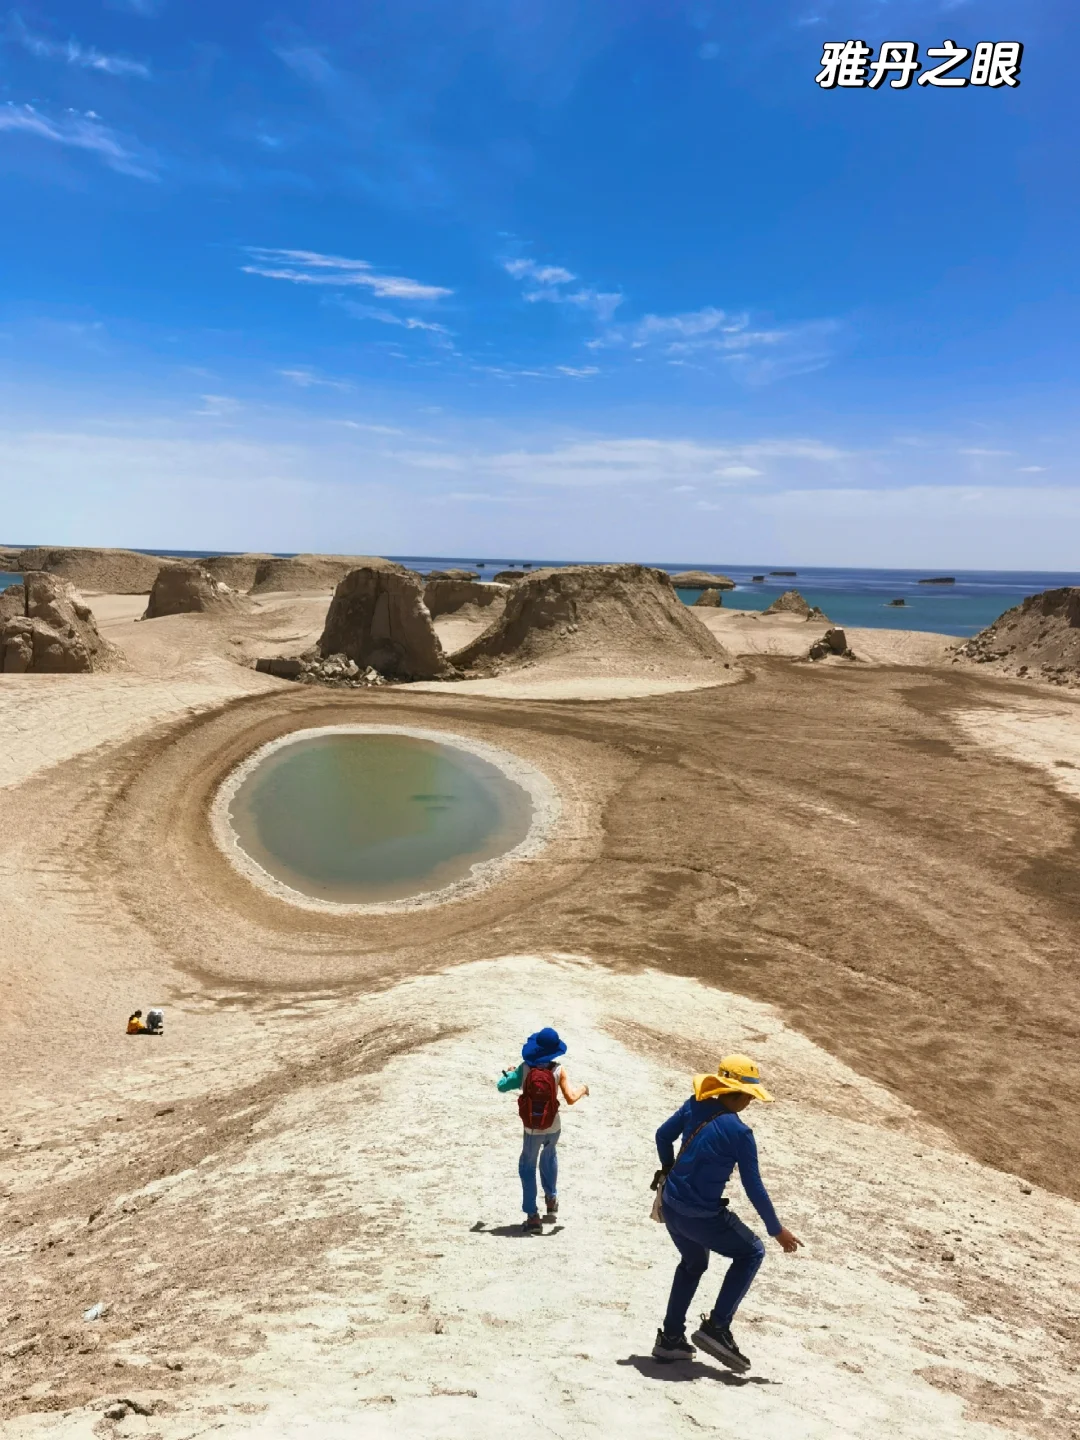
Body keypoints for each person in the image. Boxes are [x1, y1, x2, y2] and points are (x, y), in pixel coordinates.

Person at [651, 1054, 802, 1371]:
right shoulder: (740, 1134)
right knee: (752, 1252)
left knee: (693, 1263)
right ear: (743, 1095)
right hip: (700, 1215)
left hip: (672, 1208)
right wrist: (777, 1230)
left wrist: (667, 1169)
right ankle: (717, 1327)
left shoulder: (695, 1103)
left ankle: (671, 1339)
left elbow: (663, 1135)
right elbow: (754, 1187)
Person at [499, 1027, 589, 1232]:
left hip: (532, 1130)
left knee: (527, 1167)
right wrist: (583, 1089)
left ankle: (532, 1218)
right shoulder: (558, 1070)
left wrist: (509, 1072)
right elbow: (570, 1098)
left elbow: (501, 1086)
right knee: (549, 1157)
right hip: (553, 1126)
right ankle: (551, 1198)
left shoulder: (525, 1069)